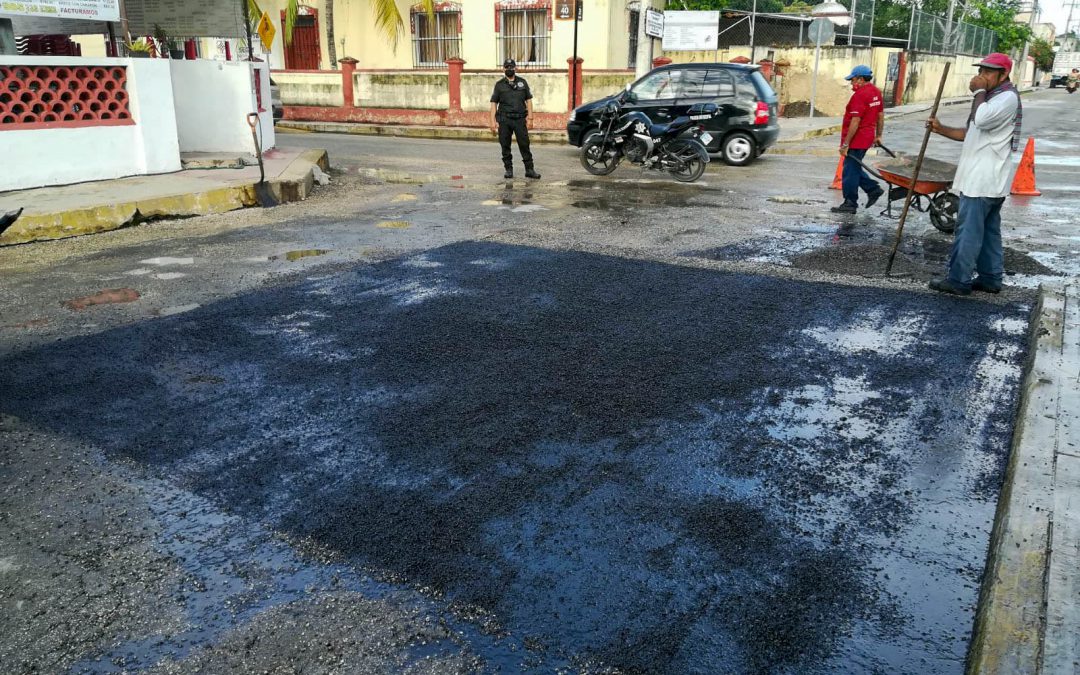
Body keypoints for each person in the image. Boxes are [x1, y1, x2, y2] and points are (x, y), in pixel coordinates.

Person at [926, 52, 1021, 296]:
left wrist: (977, 92)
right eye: (981, 71)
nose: (981, 76)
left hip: (984, 179)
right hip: (985, 179)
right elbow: (970, 132)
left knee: (967, 230)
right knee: (988, 231)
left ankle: (958, 280)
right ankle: (990, 278)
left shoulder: (1006, 98)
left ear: (1004, 74)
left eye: (988, 72)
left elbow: (982, 119)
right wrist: (940, 129)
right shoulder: (992, 99)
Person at [832, 65, 885, 214]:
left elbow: (855, 121)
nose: (851, 83)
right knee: (854, 168)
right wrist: (878, 135)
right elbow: (880, 115)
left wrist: (846, 143)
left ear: (861, 79)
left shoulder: (860, 95)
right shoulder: (876, 92)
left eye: (853, 79)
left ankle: (850, 203)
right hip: (867, 137)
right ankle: (873, 189)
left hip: (857, 139)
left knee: (849, 172)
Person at [490, 59, 541, 180]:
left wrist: (531, 118)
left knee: (524, 145)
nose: (509, 69)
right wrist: (492, 121)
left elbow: (528, 100)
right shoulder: (499, 85)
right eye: (507, 67)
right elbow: (493, 103)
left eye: (511, 67)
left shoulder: (522, 82)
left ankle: (529, 170)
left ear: (515, 68)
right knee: (505, 145)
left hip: (519, 120)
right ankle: (508, 170)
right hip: (504, 119)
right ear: (503, 69)